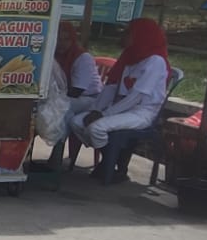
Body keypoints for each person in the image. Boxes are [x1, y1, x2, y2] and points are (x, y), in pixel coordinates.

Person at [68, 18, 171, 182]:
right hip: (119, 107)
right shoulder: (130, 56)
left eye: (128, 33)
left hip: (142, 111)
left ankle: (111, 165)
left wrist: (104, 114)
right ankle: (111, 158)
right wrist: (96, 109)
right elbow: (111, 87)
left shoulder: (155, 61)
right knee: (76, 122)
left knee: (97, 128)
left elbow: (136, 97)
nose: (123, 36)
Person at [53, 22, 103, 169]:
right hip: (68, 95)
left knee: (61, 109)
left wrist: (53, 97)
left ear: (72, 40)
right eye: (58, 40)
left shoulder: (82, 58)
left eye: (65, 40)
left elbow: (76, 91)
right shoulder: (55, 55)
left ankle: (57, 155)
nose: (61, 44)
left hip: (90, 98)